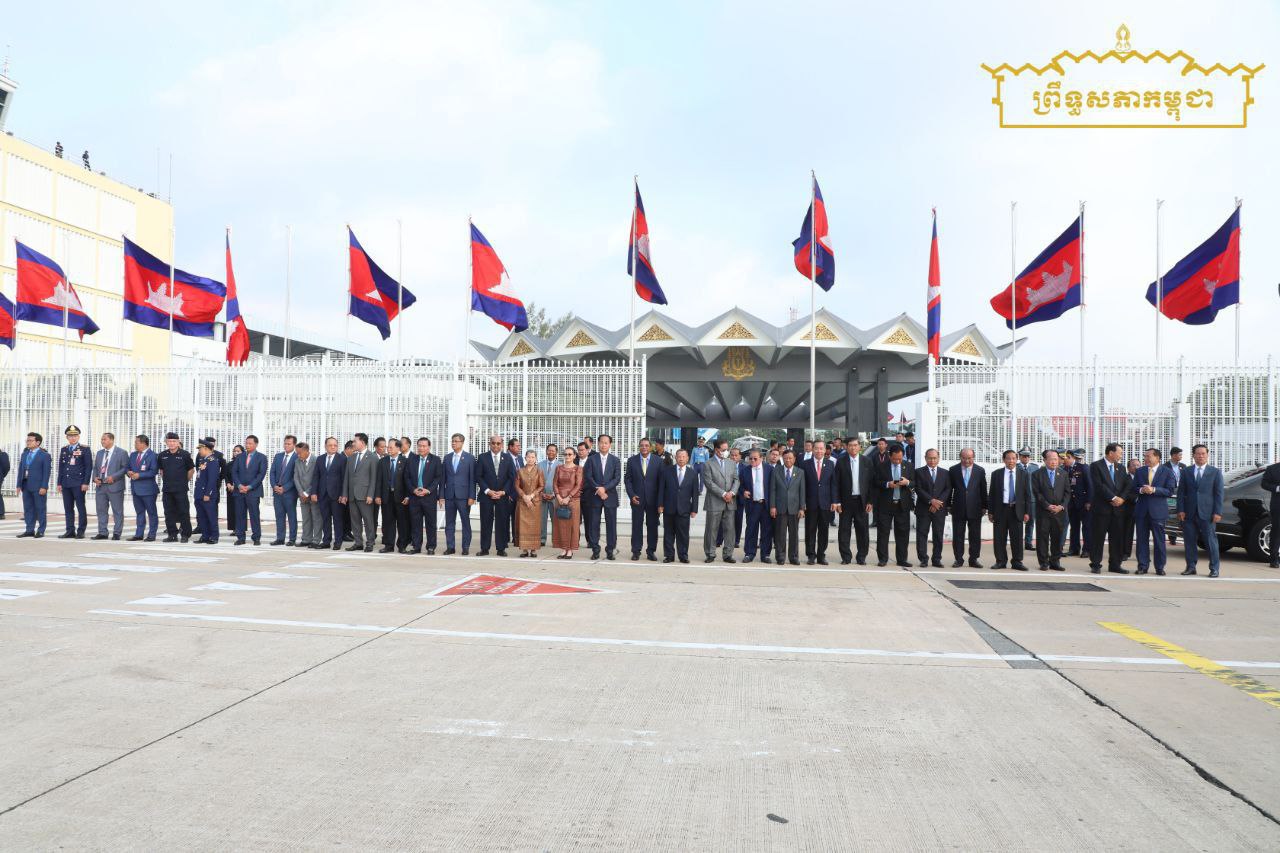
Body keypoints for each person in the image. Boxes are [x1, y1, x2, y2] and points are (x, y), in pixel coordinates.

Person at [1177, 444, 1224, 578]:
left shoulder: (1215, 472)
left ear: (1207, 455)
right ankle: (1191, 567)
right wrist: (1181, 509)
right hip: (1189, 513)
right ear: (1194, 455)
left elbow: (1219, 494)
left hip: (1208, 513)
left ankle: (1214, 568)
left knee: (1211, 542)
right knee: (1189, 541)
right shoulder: (1186, 471)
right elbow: (1181, 492)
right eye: (1198, 453)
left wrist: (1218, 512)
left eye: (1203, 453)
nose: (1201, 456)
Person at [1088, 443, 1132, 574]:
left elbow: (1127, 485)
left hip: (1118, 510)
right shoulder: (1096, 466)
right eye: (1119, 453)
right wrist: (1113, 498)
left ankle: (1115, 564)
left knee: (1117, 538)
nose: (1121, 455)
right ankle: (1096, 564)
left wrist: (1122, 499)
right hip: (1101, 509)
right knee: (1098, 538)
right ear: (1111, 453)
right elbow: (1099, 485)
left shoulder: (1121, 468)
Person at [871, 444, 915, 568]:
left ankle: (902, 559)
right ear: (889, 456)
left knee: (903, 534)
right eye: (895, 459)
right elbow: (875, 482)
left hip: (902, 505)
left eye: (900, 459)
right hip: (885, 505)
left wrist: (907, 482)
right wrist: (887, 484)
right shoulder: (881, 466)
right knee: (883, 533)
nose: (897, 461)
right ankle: (883, 559)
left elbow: (915, 482)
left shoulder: (909, 466)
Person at [1132, 448, 1174, 575]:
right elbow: (1133, 488)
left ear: (1157, 457)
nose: (1145, 458)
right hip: (1142, 511)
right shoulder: (1140, 471)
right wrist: (1141, 490)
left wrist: (1154, 490)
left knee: (1159, 541)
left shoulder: (1167, 472)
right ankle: (1142, 566)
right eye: (1145, 456)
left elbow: (1170, 491)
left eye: (1148, 456)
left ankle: (1160, 567)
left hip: (1158, 512)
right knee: (1141, 540)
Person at [988, 449, 1031, 571]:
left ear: (1017, 459)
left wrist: (1027, 512)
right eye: (1008, 458)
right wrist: (990, 511)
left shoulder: (1024, 474)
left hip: (1017, 510)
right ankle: (1000, 561)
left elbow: (1027, 494)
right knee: (999, 537)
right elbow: (992, 494)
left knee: (1017, 538)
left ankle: (1017, 562)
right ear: (1004, 460)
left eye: (1013, 458)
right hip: (1001, 509)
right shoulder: (996, 474)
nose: (1011, 461)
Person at [476, 434, 515, 557]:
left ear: (502, 445)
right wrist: (488, 491)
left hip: (502, 496)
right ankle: (484, 548)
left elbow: (512, 477)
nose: (496, 445)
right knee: (485, 522)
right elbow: (478, 476)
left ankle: (501, 548)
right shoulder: (482, 457)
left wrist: (504, 491)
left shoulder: (507, 458)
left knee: (502, 522)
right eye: (493, 443)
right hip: (487, 496)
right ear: (490, 444)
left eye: (498, 443)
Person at [584, 433, 621, 560]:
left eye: (606, 443)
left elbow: (617, 478)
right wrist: (598, 489)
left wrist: (604, 489)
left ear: (610, 445)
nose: (603, 445)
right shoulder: (591, 459)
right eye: (601, 442)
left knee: (611, 525)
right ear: (598, 444)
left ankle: (610, 550)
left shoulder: (615, 460)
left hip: (610, 497)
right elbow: (588, 476)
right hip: (594, 496)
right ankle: (595, 549)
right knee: (594, 524)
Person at [836, 438, 873, 565]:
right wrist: (837, 502)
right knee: (844, 530)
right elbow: (836, 483)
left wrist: (870, 501)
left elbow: (871, 483)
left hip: (861, 502)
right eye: (850, 445)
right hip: (845, 502)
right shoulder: (841, 461)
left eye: (855, 445)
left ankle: (861, 557)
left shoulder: (867, 461)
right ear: (846, 447)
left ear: (860, 447)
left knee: (862, 531)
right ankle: (846, 557)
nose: (853, 448)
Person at [625, 438, 662, 561]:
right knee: (636, 526)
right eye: (642, 445)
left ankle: (651, 551)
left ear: (650, 447)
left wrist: (660, 501)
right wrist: (631, 495)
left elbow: (661, 482)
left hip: (653, 500)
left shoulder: (658, 461)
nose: (644, 447)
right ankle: (636, 551)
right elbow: (628, 480)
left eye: (646, 445)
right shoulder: (632, 461)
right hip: (637, 499)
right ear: (639, 447)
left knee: (652, 527)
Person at [949, 448, 987, 568]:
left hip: (975, 508)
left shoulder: (980, 470)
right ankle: (958, 559)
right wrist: (948, 505)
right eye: (964, 458)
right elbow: (949, 489)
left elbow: (983, 489)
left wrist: (985, 506)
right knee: (958, 535)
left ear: (973, 457)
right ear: (960, 457)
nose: (966, 461)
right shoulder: (953, 470)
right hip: (958, 507)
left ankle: (973, 559)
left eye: (969, 458)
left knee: (975, 535)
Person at [702, 438, 738, 563]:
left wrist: (731, 493)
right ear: (717, 450)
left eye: (727, 449)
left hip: (730, 502)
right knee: (711, 529)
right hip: (714, 501)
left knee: (730, 529)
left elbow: (736, 480)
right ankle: (710, 554)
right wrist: (723, 494)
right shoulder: (708, 464)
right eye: (724, 449)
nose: (726, 451)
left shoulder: (731, 463)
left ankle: (728, 554)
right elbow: (709, 483)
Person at [659, 448, 698, 563]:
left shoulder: (692, 473)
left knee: (683, 534)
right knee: (668, 533)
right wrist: (660, 504)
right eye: (679, 456)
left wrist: (694, 509)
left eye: (683, 457)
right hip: (669, 508)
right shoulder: (667, 471)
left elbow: (695, 493)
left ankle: (683, 555)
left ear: (687, 458)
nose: (681, 459)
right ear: (675, 458)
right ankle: (669, 555)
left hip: (684, 509)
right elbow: (661, 489)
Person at [1032, 450, 1069, 571]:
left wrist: (1061, 506)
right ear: (1045, 460)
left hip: (1059, 512)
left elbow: (1067, 493)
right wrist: (1047, 505)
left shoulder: (1063, 474)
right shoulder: (1037, 474)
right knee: (1042, 538)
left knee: (1057, 537)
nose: (1054, 461)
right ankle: (1043, 562)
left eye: (1056, 459)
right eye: (1051, 459)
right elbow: (1037, 493)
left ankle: (1055, 561)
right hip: (1043, 512)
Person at [405, 437, 443, 554]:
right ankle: (416, 546)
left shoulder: (435, 460)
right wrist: (413, 490)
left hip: (429, 497)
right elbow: (407, 477)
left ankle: (431, 547)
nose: (421, 448)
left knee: (430, 523)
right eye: (419, 446)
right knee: (416, 523)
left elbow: (438, 478)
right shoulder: (412, 459)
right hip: (415, 497)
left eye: (424, 446)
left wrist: (428, 490)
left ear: (429, 447)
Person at [913, 448, 950, 568]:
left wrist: (938, 503)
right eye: (930, 458)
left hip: (939, 509)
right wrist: (931, 501)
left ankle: (936, 559)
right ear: (925, 458)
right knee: (922, 534)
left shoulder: (945, 473)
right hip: (923, 509)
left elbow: (948, 489)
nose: (932, 460)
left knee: (938, 535)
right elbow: (918, 488)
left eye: (934, 458)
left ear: (938, 458)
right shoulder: (919, 472)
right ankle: (923, 559)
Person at [801, 439, 836, 565]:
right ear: (812, 449)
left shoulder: (830, 464)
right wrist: (802, 503)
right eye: (816, 448)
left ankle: (821, 555)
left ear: (825, 450)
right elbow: (802, 485)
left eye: (821, 448)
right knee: (810, 530)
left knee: (824, 531)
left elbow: (833, 484)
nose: (819, 451)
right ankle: (811, 555)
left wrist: (834, 501)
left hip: (825, 503)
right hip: (810, 503)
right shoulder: (805, 464)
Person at [442, 432, 477, 555]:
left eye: (456, 441)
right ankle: (450, 547)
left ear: (462, 443)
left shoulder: (470, 458)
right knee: (449, 523)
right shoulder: (447, 458)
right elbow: (443, 479)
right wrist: (441, 496)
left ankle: (465, 547)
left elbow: (472, 479)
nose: (453, 443)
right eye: (452, 441)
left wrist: (472, 496)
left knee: (465, 522)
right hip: (449, 496)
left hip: (464, 496)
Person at [342, 433, 377, 552]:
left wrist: (371, 494)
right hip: (352, 495)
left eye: (355, 441)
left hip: (365, 495)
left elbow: (374, 478)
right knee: (355, 521)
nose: (353, 443)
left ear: (362, 442)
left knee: (368, 521)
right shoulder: (351, 458)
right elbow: (346, 478)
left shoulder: (372, 457)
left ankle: (370, 543)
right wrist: (345, 494)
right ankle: (358, 543)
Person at [769, 449, 805, 565]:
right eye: (785, 458)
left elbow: (802, 491)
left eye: (790, 458)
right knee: (780, 534)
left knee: (794, 534)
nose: (788, 460)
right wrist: (772, 506)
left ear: (794, 459)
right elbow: (773, 490)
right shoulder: (776, 471)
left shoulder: (800, 472)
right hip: (780, 507)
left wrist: (802, 508)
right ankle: (780, 556)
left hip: (794, 508)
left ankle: (793, 557)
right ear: (782, 459)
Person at [157, 432, 194, 542]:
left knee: (183, 512)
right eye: (169, 441)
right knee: (168, 513)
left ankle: (185, 534)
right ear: (166, 442)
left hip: (181, 489)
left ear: (178, 442)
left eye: (174, 441)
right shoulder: (162, 455)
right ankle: (172, 534)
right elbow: (162, 471)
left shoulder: (185, 454)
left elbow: (191, 470)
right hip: (167, 489)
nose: (172, 443)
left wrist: (184, 481)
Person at [57, 425, 92, 538]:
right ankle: (70, 530)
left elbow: (88, 467)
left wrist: (86, 483)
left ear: (78, 436)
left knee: (80, 508)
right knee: (68, 508)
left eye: (75, 436)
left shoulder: (84, 449)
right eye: (70, 436)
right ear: (67, 437)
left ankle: (81, 531)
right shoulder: (64, 449)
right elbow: (61, 467)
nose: (73, 438)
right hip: (66, 483)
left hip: (78, 483)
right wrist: (59, 483)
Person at [91, 432, 129, 540]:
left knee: (117, 511)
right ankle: (103, 532)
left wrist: (114, 477)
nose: (102, 441)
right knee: (101, 510)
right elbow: (95, 468)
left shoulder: (121, 452)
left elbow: (125, 468)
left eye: (104, 439)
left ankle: (117, 533)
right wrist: (94, 478)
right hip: (101, 486)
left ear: (111, 440)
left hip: (115, 486)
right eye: (102, 439)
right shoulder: (99, 453)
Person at [232, 434, 267, 546]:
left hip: (253, 491)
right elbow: (234, 472)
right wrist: (239, 485)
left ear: (256, 444)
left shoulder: (262, 457)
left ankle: (256, 537)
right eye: (246, 443)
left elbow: (261, 475)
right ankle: (240, 537)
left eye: (250, 443)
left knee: (254, 515)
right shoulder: (240, 457)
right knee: (240, 515)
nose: (247, 445)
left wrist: (249, 487)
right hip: (239, 491)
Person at [740, 448, 773, 564]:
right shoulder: (745, 470)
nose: (752, 461)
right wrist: (743, 491)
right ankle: (749, 553)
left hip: (765, 505)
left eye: (755, 458)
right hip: (752, 504)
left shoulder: (769, 469)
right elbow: (740, 485)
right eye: (750, 459)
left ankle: (765, 554)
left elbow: (773, 487)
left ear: (761, 458)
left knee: (766, 530)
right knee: (751, 529)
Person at [376, 437, 409, 553]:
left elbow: (407, 481)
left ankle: (402, 545)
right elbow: (379, 480)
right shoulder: (383, 461)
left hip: (401, 497)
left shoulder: (405, 461)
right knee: (388, 522)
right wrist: (378, 496)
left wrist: (407, 496)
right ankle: (388, 545)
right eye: (387, 447)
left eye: (391, 447)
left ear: (398, 448)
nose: (388, 449)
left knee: (402, 523)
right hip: (386, 496)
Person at [313, 437, 346, 550]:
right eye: (330, 445)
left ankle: (338, 542)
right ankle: (326, 541)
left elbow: (344, 478)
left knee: (337, 519)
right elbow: (316, 476)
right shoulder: (320, 459)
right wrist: (314, 492)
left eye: (335, 445)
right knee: (325, 519)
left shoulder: (342, 459)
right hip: (323, 494)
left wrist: (343, 494)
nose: (333, 447)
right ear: (325, 446)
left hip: (336, 495)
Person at [16, 432, 51, 538]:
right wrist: (18, 485)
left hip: (38, 486)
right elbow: (21, 470)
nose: (28, 442)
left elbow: (46, 472)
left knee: (40, 508)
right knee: (28, 509)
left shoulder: (45, 455)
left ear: (38, 442)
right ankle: (29, 529)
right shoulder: (25, 454)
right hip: (26, 485)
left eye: (30, 440)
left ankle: (41, 530)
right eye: (27, 440)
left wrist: (44, 486)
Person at [552, 446, 584, 559]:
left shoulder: (578, 469)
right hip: (560, 500)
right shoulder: (559, 468)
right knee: (560, 525)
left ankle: (570, 550)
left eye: (570, 454)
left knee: (572, 526)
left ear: (574, 456)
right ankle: (563, 549)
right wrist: (558, 496)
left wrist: (568, 497)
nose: (567, 456)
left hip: (573, 500)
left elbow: (578, 485)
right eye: (565, 454)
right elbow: (555, 483)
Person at [126, 434, 159, 541]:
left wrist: (139, 475)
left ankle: (151, 535)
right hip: (135, 489)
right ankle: (139, 534)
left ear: (143, 443)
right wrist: (128, 472)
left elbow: (153, 471)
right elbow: (127, 468)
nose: (134, 444)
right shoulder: (133, 455)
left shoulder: (153, 455)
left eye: (136, 442)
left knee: (151, 513)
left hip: (148, 490)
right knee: (139, 513)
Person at [268, 435, 299, 546]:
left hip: (289, 493)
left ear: (294, 445)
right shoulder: (278, 456)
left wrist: (285, 488)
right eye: (285, 443)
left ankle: (292, 539)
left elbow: (296, 476)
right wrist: (274, 486)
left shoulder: (297, 457)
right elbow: (272, 472)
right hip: (277, 492)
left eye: (289, 444)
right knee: (279, 516)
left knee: (291, 516)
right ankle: (280, 538)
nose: (286, 445)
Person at [514, 449, 545, 557]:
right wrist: (524, 496)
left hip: (535, 502)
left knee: (534, 526)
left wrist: (531, 496)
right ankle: (524, 549)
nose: (531, 459)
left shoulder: (539, 471)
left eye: (533, 457)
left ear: (536, 459)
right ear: (525, 458)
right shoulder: (520, 471)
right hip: (523, 502)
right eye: (529, 457)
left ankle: (533, 549)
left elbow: (541, 486)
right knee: (523, 526)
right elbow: (517, 486)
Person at [193, 439, 222, 544]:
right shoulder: (203, 460)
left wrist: (207, 494)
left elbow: (212, 480)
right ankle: (205, 536)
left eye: (200, 449)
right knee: (202, 517)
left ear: (206, 448)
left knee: (211, 516)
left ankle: (214, 536)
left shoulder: (213, 461)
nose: (199, 451)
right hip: (199, 493)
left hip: (207, 494)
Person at [1066, 448, 1092, 557]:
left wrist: (1089, 501)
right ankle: (1074, 549)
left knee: (1086, 527)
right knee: (1074, 527)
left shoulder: (1083, 468)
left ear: (1072, 458)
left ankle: (1087, 549)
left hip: (1083, 502)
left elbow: (1090, 485)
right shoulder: (1066, 469)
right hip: (1072, 503)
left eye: (1067, 458)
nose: (1065, 460)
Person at [293, 442, 319, 549]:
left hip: (313, 494)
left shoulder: (316, 460)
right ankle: (306, 539)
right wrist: (301, 492)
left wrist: (307, 492)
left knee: (316, 518)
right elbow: (296, 478)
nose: (298, 455)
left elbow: (316, 479)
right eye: (297, 453)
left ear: (307, 451)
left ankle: (316, 540)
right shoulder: (297, 461)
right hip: (302, 495)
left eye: (299, 453)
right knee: (306, 518)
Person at [537, 444, 561, 547]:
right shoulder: (539, 465)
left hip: (555, 497)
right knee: (542, 519)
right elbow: (536, 481)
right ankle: (542, 539)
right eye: (549, 450)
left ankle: (556, 540)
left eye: (553, 451)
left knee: (555, 519)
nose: (551, 452)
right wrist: (541, 493)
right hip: (542, 496)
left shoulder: (560, 465)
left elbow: (561, 483)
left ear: (556, 452)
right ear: (546, 452)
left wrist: (554, 494)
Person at [1018, 447, 1039, 551]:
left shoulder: (1035, 468)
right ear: (1019, 456)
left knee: (1030, 522)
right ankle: (1017, 541)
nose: (1026, 458)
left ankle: (1028, 542)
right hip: (1018, 499)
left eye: (1028, 456)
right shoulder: (1016, 467)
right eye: (1024, 456)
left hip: (1032, 499)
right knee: (1017, 521)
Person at [1164, 446, 1187, 545]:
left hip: (1181, 492)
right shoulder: (1165, 466)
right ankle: (1172, 537)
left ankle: (1183, 534)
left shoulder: (1183, 466)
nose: (1181, 456)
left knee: (1181, 512)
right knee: (1171, 513)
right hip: (1170, 493)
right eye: (1179, 454)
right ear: (1173, 455)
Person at [1261, 458, 1280, 568]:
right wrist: (1277, 488)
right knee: (1276, 533)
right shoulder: (1272, 469)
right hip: (1278, 505)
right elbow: (1264, 483)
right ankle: (1274, 559)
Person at [1121, 457, 1141, 561]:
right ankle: (1125, 553)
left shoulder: (1143, 477)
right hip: (1129, 508)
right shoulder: (1124, 478)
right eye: (1134, 465)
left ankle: (1141, 554)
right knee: (1127, 531)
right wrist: (1136, 499)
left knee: (1142, 533)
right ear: (1128, 468)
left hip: (1142, 509)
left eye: (1138, 465)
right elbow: (1124, 492)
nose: (1136, 467)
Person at [505, 438, 523, 544]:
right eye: (517, 446)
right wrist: (507, 493)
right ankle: (505, 539)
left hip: (519, 493)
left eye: (519, 446)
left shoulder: (520, 458)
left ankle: (516, 538)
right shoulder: (504, 457)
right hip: (508, 494)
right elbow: (503, 477)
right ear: (510, 447)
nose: (519, 447)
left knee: (517, 517)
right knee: (506, 518)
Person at [225, 444, 244, 537]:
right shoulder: (229, 464)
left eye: (238, 451)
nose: (236, 453)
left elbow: (244, 477)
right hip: (230, 490)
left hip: (240, 489)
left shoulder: (244, 464)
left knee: (240, 510)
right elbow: (226, 475)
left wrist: (236, 486)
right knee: (231, 509)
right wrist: (228, 483)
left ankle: (240, 528)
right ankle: (234, 528)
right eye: (234, 451)